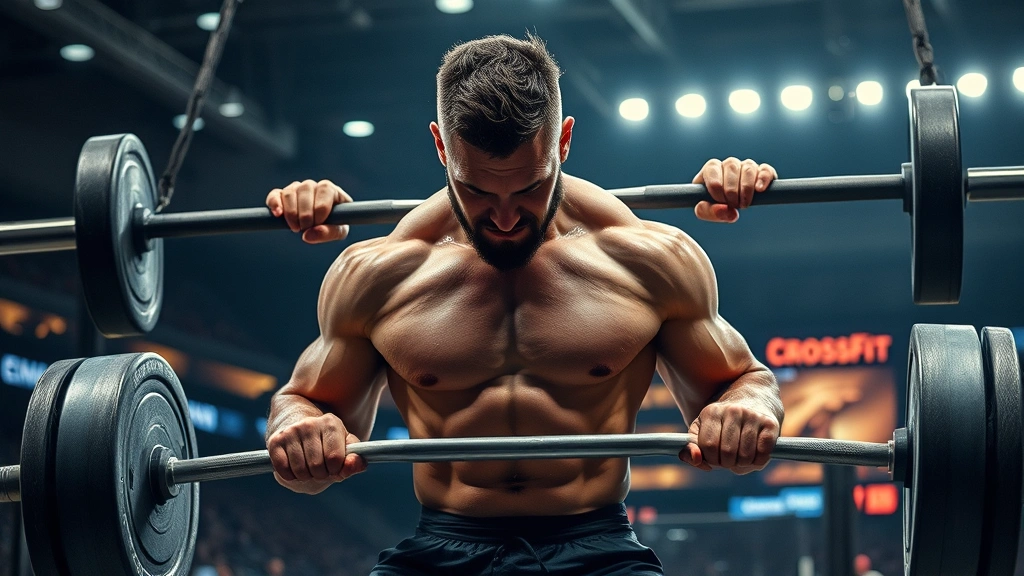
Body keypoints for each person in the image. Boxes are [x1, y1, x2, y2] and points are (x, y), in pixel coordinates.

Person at [264, 33, 783, 575]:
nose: (507, 219)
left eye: (531, 189)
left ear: (563, 141)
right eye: (479, 193)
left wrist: (744, 411)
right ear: (442, 147)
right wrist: (302, 432)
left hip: (597, 547)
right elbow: (305, 408)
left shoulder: (647, 259)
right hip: (441, 546)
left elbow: (747, 379)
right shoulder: (378, 275)